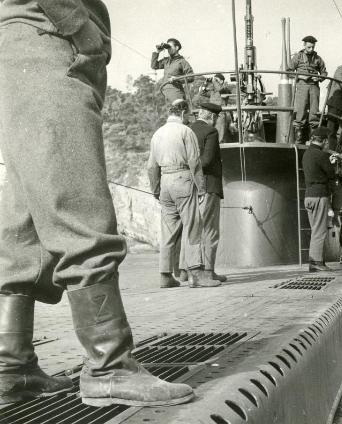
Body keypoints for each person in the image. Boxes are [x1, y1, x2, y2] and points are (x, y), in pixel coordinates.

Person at [0, 1, 193, 407]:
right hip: (48, 38)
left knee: (26, 220)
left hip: (23, 42)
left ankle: (10, 367)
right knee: (78, 199)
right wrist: (80, 28)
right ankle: (110, 366)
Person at [147, 100, 214, 288]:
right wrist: (201, 187)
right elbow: (194, 161)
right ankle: (196, 274)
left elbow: (151, 166)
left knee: (168, 231)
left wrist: (156, 189)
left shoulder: (157, 134)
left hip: (165, 182)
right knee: (193, 226)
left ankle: (165, 275)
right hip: (183, 179)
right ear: (183, 113)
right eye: (188, 115)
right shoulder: (186, 131)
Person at [190, 103, 227, 285]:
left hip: (191, 186)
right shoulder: (211, 132)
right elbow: (207, 160)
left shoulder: (188, 129)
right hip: (209, 185)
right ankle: (209, 271)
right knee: (211, 230)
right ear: (212, 116)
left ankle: (187, 272)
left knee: (194, 229)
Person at [302, 127, 337, 272]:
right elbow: (331, 175)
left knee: (315, 229)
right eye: (326, 141)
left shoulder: (306, 154)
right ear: (323, 141)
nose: (327, 144)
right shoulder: (322, 155)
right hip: (319, 196)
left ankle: (313, 261)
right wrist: (333, 164)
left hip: (308, 196)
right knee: (320, 231)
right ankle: (316, 262)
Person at [287, 35, 327, 143]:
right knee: (300, 111)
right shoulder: (298, 57)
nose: (311, 49)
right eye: (309, 47)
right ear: (304, 45)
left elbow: (324, 73)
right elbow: (289, 71)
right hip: (302, 86)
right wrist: (300, 76)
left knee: (314, 112)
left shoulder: (318, 58)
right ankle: (298, 140)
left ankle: (313, 140)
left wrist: (318, 77)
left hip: (314, 87)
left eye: (313, 47)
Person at [151, 37, 194, 104]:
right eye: (167, 47)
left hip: (176, 93)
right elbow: (154, 66)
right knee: (171, 114)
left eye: (170, 47)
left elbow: (191, 77)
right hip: (165, 93)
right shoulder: (166, 61)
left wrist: (177, 79)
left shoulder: (182, 62)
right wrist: (157, 52)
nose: (168, 49)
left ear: (176, 48)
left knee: (180, 112)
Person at [193, 74, 234, 143]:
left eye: (216, 80)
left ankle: (219, 144)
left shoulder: (225, 89)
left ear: (221, 81)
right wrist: (205, 83)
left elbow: (220, 89)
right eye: (214, 80)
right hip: (211, 113)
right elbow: (201, 92)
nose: (214, 81)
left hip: (220, 114)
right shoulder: (213, 91)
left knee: (219, 135)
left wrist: (214, 81)